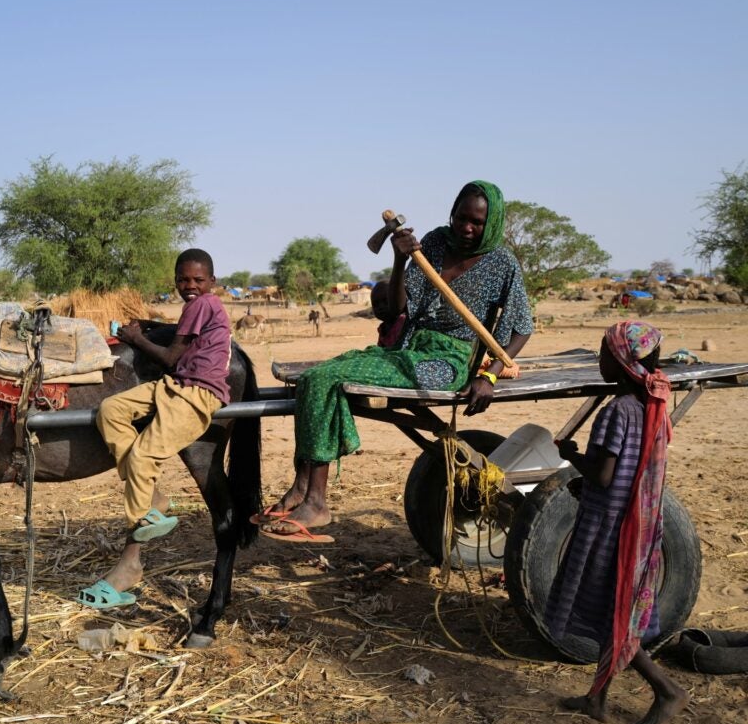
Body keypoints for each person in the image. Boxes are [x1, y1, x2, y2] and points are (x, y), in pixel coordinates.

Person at [256, 180, 533, 542]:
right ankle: (303, 485)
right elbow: (399, 307)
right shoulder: (433, 243)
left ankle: (318, 502)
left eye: (476, 222)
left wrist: (490, 377)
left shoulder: (502, 263)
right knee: (316, 377)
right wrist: (400, 258)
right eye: (461, 218)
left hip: (448, 362)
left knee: (323, 380)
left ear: (491, 223)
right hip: (406, 349)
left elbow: (522, 328)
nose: (466, 228)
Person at [546, 321, 688, 724]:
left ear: (622, 360)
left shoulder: (616, 412)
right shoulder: (653, 404)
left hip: (611, 528)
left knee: (615, 614)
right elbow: (629, 471)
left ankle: (666, 691)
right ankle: (596, 698)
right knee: (616, 605)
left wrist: (573, 456)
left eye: (604, 352)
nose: (600, 359)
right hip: (639, 520)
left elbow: (604, 475)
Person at [78, 248, 231, 609]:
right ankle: (152, 497)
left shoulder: (204, 304)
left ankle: (140, 514)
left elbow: (168, 357)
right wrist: (148, 326)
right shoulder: (196, 309)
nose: (189, 286)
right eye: (183, 280)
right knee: (111, 410)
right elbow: (178, 335)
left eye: (197, 280)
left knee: (146, 452)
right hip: (173, 386)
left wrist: (135, 339)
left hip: (197, 395)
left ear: (212, 282)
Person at [370, 279, 407, 347]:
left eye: (386, 301)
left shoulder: (405, 322)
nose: (380, 307)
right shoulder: (383, 328)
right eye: (375, 304)